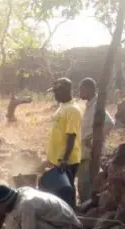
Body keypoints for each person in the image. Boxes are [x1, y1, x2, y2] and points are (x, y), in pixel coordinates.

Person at [46, 78, 82, 208]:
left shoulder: (73, 110)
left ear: (65, 91)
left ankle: (71, 217)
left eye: (56, 92)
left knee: (66, 190)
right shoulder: (63, 107)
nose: (54, 95)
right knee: (59, 190)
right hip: (58, 158)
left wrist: (65, 159)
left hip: (67, 159)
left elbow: (71, 136)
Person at [78, 77, 115, 205]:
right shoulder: (89, 105)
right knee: (83, 185)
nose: (79, 92)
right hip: (83, 152)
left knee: (85, 186)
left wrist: (94, 139)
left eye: (81, 89)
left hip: (90, 153)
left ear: (88, 89)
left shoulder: (96, 106)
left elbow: (109, 123)